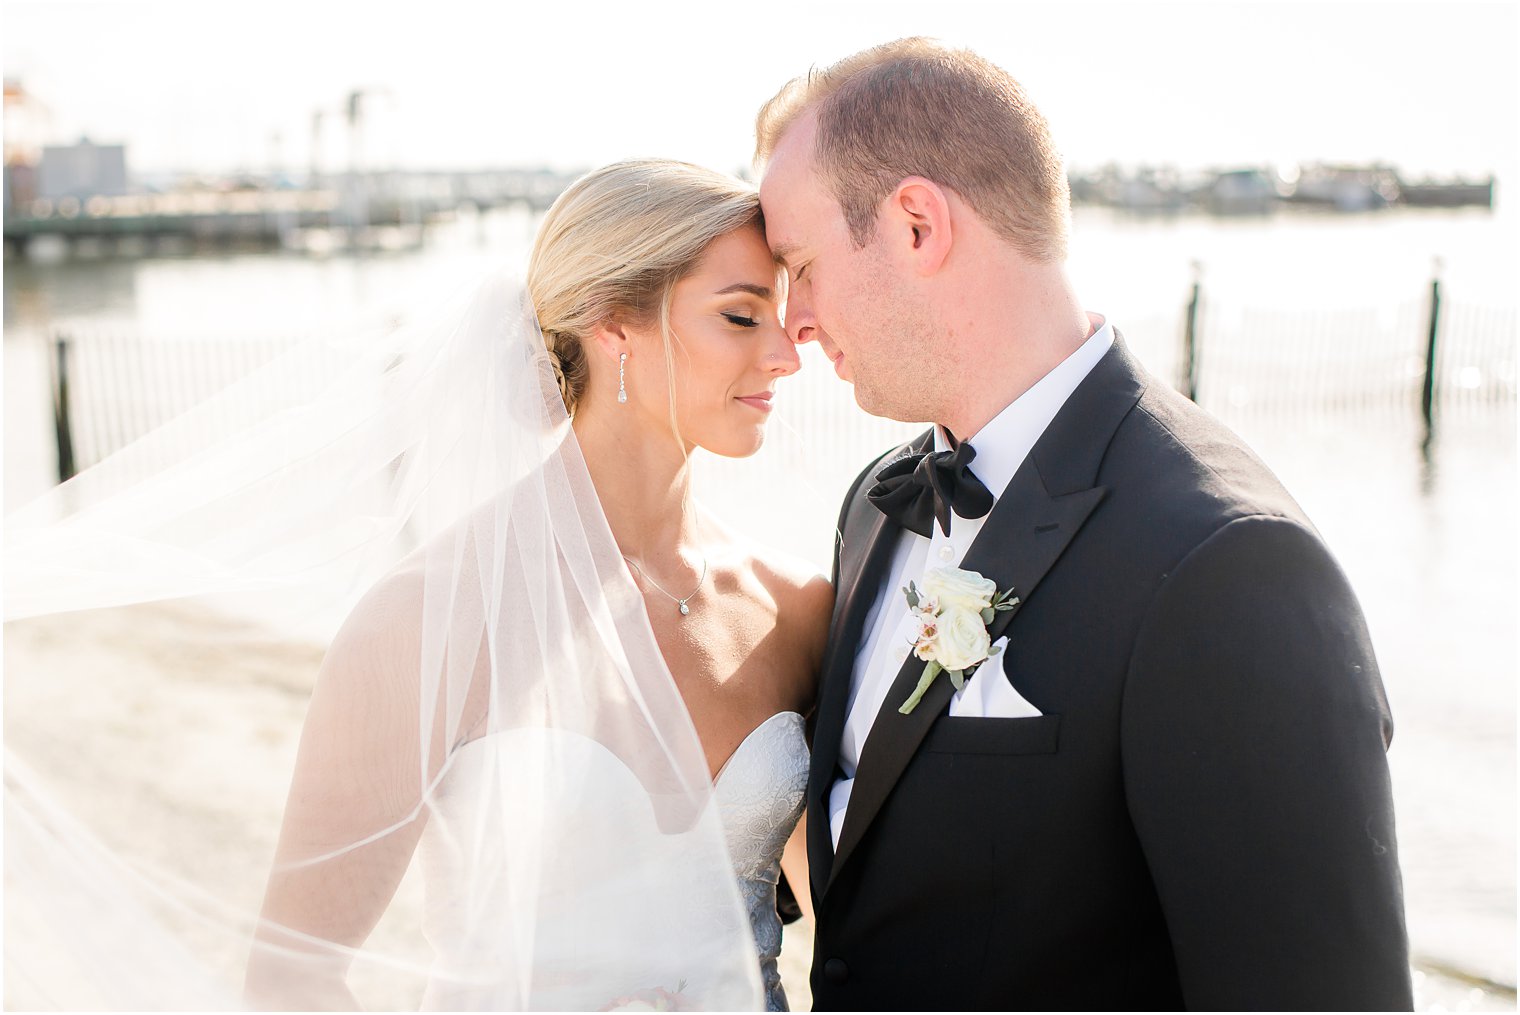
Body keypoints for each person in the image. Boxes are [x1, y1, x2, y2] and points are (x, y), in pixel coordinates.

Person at [6, 160, 825, 1011]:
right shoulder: (426, 618)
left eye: (782, 317)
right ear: (612, 324)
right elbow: (295, 972)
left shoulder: (794, 607)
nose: (785, 353)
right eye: (740, 316)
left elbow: (852, 904)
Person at [754, 38, 1412, 1010]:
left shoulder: (1225, 564)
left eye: (800, 265)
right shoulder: (874, 506)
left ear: (915, 224)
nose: (791, 320)